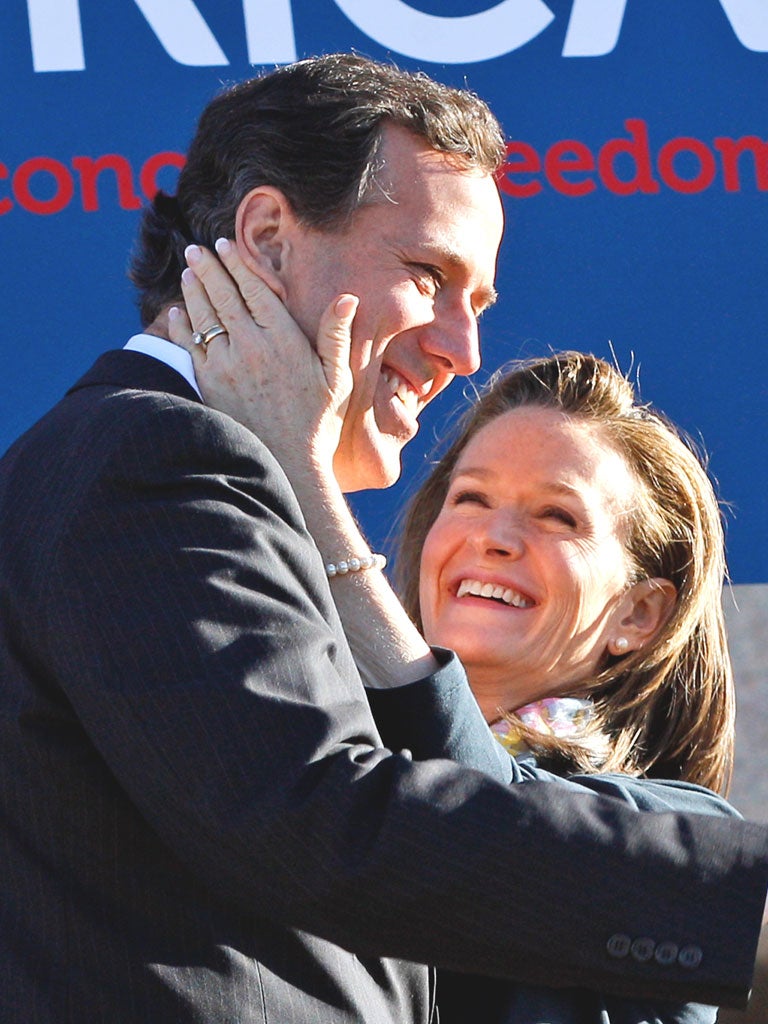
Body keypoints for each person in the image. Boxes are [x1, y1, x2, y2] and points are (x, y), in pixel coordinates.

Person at [0, 52, 766, 1024]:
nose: (462, 349)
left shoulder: (154, 460)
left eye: (477, 304)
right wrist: (743, 908)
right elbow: (312, 818)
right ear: (267, 238)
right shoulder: (156, 454)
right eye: (428, 275)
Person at [167, 241, 758, 1024]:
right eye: (471, 498)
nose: (494, 537)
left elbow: (479, 825)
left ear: (637, 615)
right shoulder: (305, 753)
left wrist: (302, 476)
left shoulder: (678, 831)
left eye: (558, 516)